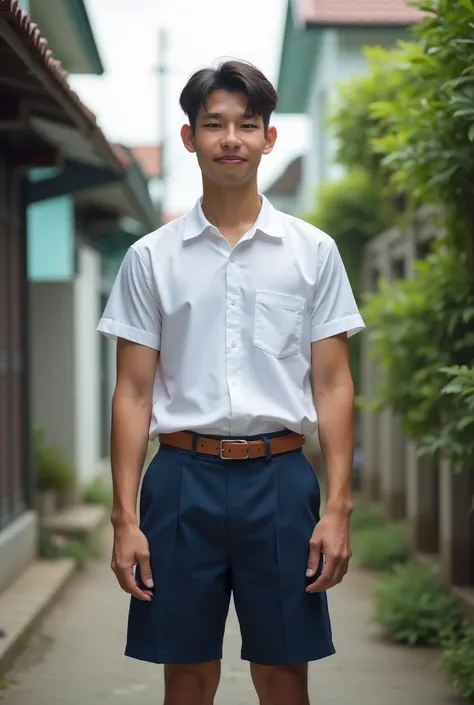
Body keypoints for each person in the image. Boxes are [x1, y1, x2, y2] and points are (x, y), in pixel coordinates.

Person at [97, 59, 365, 705]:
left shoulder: (313, 252)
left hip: (279, 479)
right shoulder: (150, 258)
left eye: (248, 125)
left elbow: (332, 385)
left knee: (284, 671)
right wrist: (125, 518)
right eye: (214, 124)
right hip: (181, 479)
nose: (231, 139)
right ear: (189, 138)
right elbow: (132, 392)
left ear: (269, 138)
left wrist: (337, 507)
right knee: (185, 671)